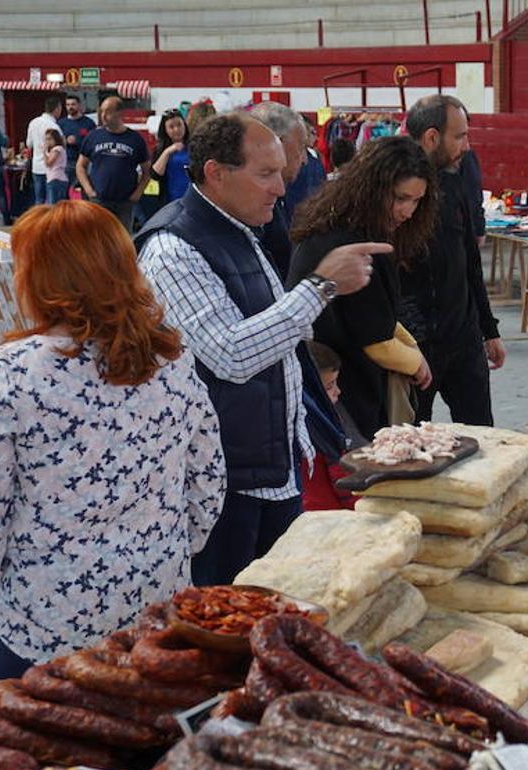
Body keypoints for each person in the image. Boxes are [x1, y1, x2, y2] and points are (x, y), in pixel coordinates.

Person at [0, 200, 226, 682]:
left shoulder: (9, 370)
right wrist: (167, 552)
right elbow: (209, 483)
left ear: (38, 277)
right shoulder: (171, 357)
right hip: (153, 608)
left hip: (41, 621)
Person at [135, 112, 384, 586]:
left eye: (280, 172)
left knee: (274, 611)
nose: (280, 188)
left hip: (269, 469)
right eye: (265, 174)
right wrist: (322, 286)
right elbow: (232, 356)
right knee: (229, 624)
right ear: (215, 172)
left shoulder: (240, 230)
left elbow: (277, 343)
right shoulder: (174, 248)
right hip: (223, 484)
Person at [288, 136, 437, 439]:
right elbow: (375, 338)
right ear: (373, 188)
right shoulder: (353, 241)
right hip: (337, 388)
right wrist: (417, 362)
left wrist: (412, 350)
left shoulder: (345, 225)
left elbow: (379, 314)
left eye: (416, 201)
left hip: (334, 378)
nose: (408, 211)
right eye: (400, 198)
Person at [400, 94, 503, 426]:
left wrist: (488, 330)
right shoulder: (391, 191)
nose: (467, 145)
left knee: (483, 438)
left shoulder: (456, 180)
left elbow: (470, 258)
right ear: (432, 138)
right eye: (459, 136)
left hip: (464, 338)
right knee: (412, 446)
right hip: (415, 348)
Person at [249, 101, 309, 280]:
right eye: (301, 148)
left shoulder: (275, 197)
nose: (304, 159)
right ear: (277, 145)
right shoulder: (248, 206)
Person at [298, 341, 358, 512]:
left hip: (305, 512)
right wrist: (360, 508)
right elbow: (340, 475)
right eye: (330, 386)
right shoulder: (323, 424)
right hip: (332, 514)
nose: (338, 391)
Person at [77, 96, 150, 232]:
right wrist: (89, 190)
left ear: (120, 113)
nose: (103, 116)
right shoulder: (93, 137)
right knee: (98, 239)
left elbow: (147, 171)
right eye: (102, 111)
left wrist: (137, 194)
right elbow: (80, 166)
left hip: (124, 202)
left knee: (121, 241)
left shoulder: (135, 139)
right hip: (99, 200)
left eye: (108, 112)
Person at [283, 118, 327, 218]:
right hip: (292, 212)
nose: (315, 137)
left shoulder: (315, 157)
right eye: (312, 132)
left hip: (313, 212)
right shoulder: (287, 158)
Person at [25, 95, 63, 206]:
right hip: (51, 168)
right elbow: (61, 147)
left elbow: (29, 144)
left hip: (36, 166)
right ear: (57, 108)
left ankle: (39, 221)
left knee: (39, 200)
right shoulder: (54, 127)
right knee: (51, 200)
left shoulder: (33, 122)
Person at [151, 108, 192, 206]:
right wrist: (167, 152)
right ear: (165, 129)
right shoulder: (161, 149)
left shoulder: (194, 145)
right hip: (170, 201)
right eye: (171, 127)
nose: (176, 129)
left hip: (191, 199)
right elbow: (155, 174)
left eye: (179, 125)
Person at [57, 95, 96, 179]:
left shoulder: (89, 123)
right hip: (66, 162)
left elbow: (94, 142)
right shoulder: (61, 123)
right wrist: (66, 141)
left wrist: (78, 141)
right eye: (68, 105)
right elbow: (55, 142)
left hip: (85, 162)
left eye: (73, 104)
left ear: (79, 105)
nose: (70, 107)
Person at [42, 129, 69, 204]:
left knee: (53, 205)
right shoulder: (56, 149)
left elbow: (48, 163)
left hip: (56, 178)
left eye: (49, 139)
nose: (47, 142)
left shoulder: (57, 149)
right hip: (54, 178)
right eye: (46, 139)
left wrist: (44, 152)